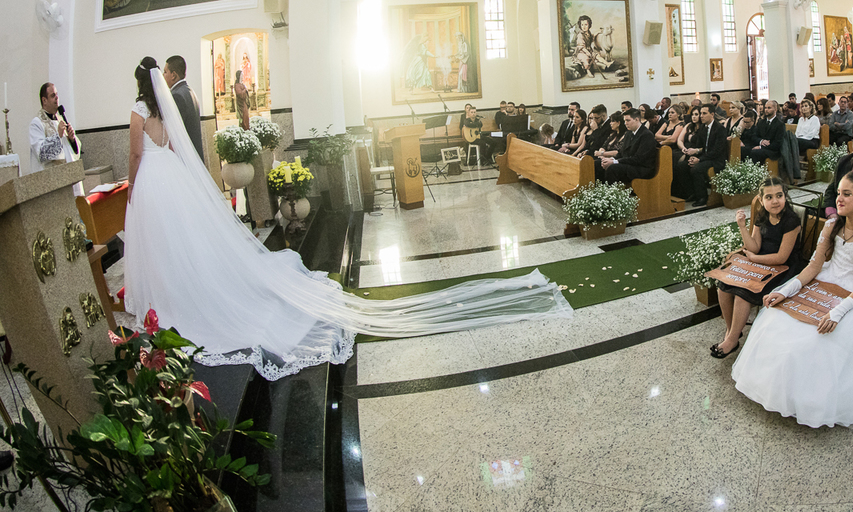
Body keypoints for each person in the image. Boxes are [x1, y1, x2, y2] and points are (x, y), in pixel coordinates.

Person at [122, 57, 570, 380]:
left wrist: (132, 188)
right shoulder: (164, 113)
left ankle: (173, 293)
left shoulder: (138, 114)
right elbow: (177, 151)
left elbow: (135, 155)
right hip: (174, 181)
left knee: (165, 244)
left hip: (154, 185)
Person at [732, 171, 853, 428]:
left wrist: (837, 312)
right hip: (828, 276)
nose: (838, 199)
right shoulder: (831, 224)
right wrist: (784, 291)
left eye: (846, 194)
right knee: (777, 318)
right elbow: (813, 267)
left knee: (821, 337)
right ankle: (780, 390)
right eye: (839, 193)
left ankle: (812, 401)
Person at [710, 178, 802, 358]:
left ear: (785, 196)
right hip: (760, 263)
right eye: (769, 197)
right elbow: (754, 247)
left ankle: (731, 339)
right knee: (724, 288)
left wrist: (755, 259)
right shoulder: (762, 215)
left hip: (784, 268)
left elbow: (782, 257)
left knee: (743, 295)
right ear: (761, 200)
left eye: (779, 196)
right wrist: (743, 227)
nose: (775, 201)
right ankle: (732, 333)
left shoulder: (791, 221)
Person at [28, 82, 83, 195]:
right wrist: (58, 135)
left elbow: (73, 153)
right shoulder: (36, 123)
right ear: (44, 100)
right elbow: (41, 154)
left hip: (69, 179)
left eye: (57, 94)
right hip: (52, 184)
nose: (57, 98)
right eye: (53, 95)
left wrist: (72, 140)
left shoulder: (60, 120)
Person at [684, 105, 729, 208]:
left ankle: (702, 197)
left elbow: (716, 151)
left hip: (717, 160)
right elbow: (700, 147)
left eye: (704, 113)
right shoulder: (703, 128)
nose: (701, 116)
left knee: (696, 169)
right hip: (706, 157)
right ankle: (692, 193)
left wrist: (699, 159)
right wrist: (694, 156)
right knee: (682, 166)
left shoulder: (720, 129)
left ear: (712, 115)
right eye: (701, 114)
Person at [600, 109, 657, 183]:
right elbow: (621, 152)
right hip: (630, 165)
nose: (625, 123)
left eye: (628, 120)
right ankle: (598, 191)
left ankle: (613, 193)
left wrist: (615, 161)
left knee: (613, 168)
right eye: (624, 121)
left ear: (636, 119)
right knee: (600, 164)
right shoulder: (628, 133)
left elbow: (639, 159)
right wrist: (611, 159)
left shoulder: (646, 135)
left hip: (641, 169)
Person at [163, 55, 203, 158]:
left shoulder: (177, 96)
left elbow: (176, 131)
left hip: (187, 156)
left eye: (165, 72)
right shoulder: (189, 90)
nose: (163, 75)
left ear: (173, 75)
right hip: (195, 153)